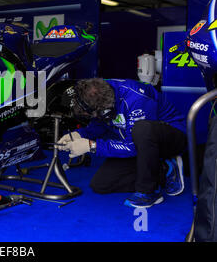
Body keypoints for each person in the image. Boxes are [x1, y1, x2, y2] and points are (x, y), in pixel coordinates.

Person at [56, 78, 187, 208]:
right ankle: (165, 169)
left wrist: (91, 146)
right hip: (142, 146)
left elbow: (133, 146)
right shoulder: (99, 92)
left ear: (103, 109)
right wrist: (78, 134)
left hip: (171, 138)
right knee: (101, 184)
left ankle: (148, 192)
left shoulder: (136, 99)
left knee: (142, 129)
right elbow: (99, 124)